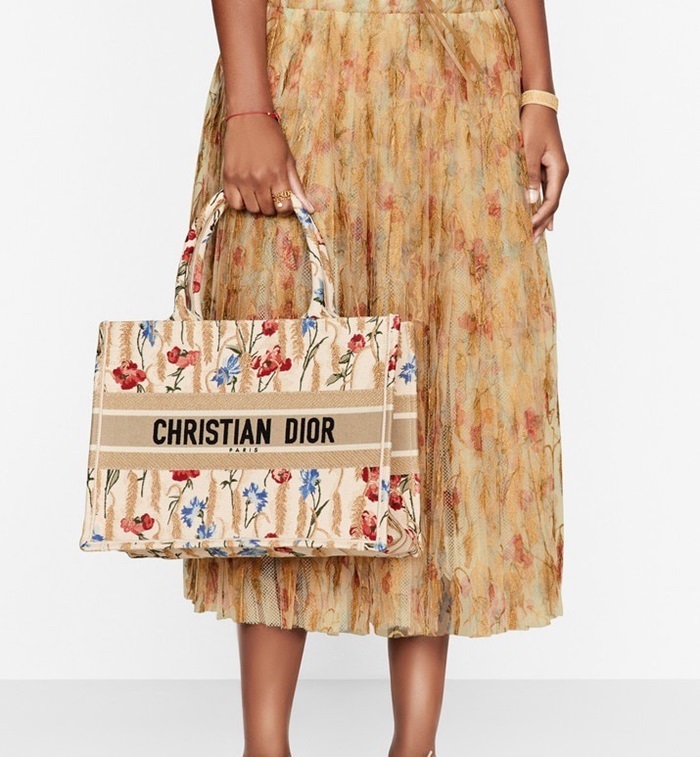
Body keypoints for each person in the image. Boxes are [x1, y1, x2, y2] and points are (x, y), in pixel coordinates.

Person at [183, 0, 568, 754]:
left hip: (463, 77)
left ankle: (415, 747)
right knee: (285, 404)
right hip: (310, 71)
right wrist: (248, 103)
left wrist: (539, 90)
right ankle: (264, 746)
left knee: (435, 396)